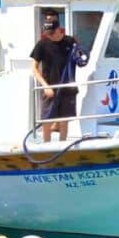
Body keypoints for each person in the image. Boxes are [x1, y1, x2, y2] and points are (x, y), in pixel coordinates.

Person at [30, 11, 87, 142]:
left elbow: (80, 58)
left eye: (51, 33)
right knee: (47, 121)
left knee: (63, 121)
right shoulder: (42, 44)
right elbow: (34, 68)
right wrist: (45, 86)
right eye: (47, 33)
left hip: (67, 87)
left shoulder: (70, 41)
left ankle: (62, 145)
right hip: (50, 87)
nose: (48, 35)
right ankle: (46, 147)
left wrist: (81, 57)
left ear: (58, 30)